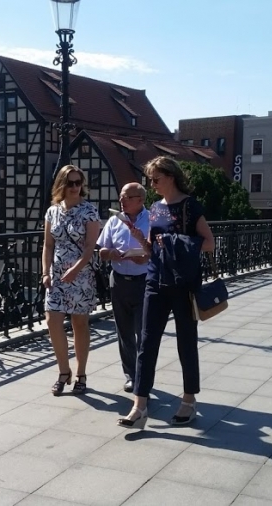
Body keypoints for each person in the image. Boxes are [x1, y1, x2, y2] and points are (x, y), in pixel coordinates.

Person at [117, 156, 215, 430]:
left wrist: (173, 240)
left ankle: (189, 400)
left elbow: (209, 243)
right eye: (150, 179)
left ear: (171, 176)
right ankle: (139, 406)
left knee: (186, 341)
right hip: (155, 280)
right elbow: (153, 249)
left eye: (156, 179)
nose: (152, 184)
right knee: (147, 343)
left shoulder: (190, 206)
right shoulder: (156, 208)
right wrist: (140, 239)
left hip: (183, 283)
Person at [42, 165, 100, 396]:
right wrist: (45, 272)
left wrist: (76, 269)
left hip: (81, 275)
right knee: (52, 321)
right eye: (71, 183)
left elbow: (90, 247)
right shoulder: (52, 212)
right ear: (62, 185)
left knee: (79, 324)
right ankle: (63, 371)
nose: (75, 187)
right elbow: (48, 245)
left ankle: (81, 374)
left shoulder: (89, 211)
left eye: (78, 183)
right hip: (57, 276)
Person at [96, 183, 150, 393]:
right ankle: (131, 376)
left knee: (143, 332)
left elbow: (158, 251)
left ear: (140, 200)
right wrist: (111, 253)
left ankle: (143, 376)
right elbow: (102, 250)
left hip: (144, 281)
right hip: (118, 281)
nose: (121, 201)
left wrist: (145, 257)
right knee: (124, 332)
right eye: (121, 197)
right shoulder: (114, 221)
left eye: (126, 197)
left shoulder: (152, 219)